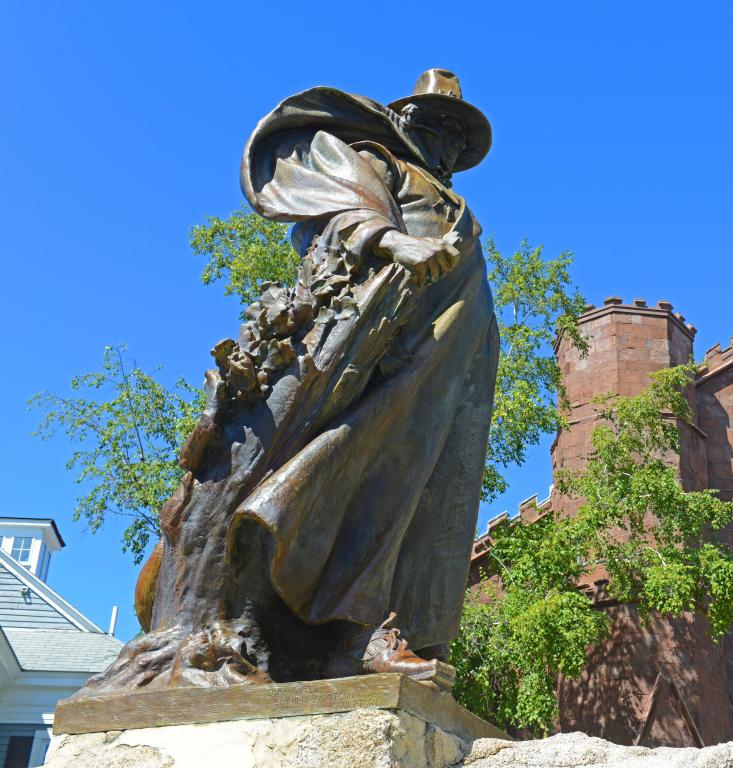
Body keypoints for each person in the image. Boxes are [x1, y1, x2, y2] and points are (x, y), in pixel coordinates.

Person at [82, 70, 498, 694]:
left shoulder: (454, 204)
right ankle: (270, 623)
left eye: (454, 132)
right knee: (336, 468)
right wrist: (388, 239)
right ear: (401, 118)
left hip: (451, 360)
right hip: (376, 348)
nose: (442, 139)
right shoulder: (370, 158)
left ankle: (374, 635)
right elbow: (334, 211)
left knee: (425, 495)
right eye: (431, 121)